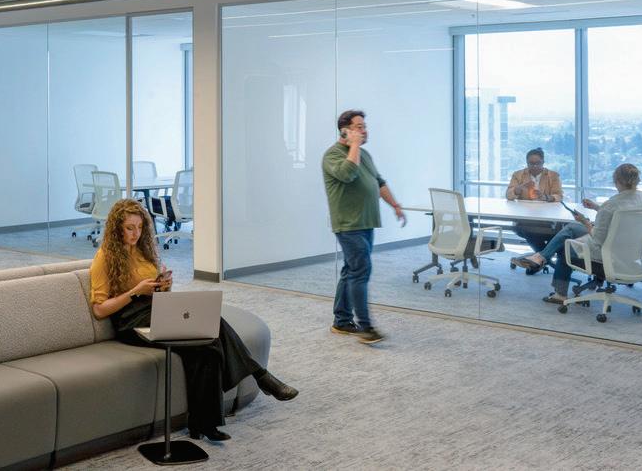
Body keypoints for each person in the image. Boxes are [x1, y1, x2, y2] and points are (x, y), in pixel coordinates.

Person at [89, 199, 297, 442]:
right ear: (117, 229)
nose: (136, 233)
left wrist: (162, 286)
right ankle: (260, 377)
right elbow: (99, 310)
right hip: (131, 321)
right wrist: (136, 292)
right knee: (208, 338)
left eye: (140, 227)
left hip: (156, 309)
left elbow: (152, 290)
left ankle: (203, 425)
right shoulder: (105, 257)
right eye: (129, 228)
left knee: (209, 338)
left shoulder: (142, 251)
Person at [322, 110, 405, 344]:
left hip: (366, 222)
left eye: (364, 126)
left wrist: (395, 205)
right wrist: (355, 145)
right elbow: (347, 174)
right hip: (348, 225)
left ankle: (341, 321)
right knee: (360, 271)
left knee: (351, 270)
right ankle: (366, 328)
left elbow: (379, 182)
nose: (364, 130)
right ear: (345, 131)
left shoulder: (364, 154)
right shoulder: (332, 155)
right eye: (359, 127)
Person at [536, 163, 642, 305]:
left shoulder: (611, 204)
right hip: (632, 257)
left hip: (608, 260)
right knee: (572, 229)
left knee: (565, 246)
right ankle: (541, 257)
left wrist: (585, 222)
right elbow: (622, 219)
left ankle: (559, 293)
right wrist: (598, 208)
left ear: (616, 181)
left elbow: (597, 240)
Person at [506, 148, 565, 274]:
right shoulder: (518, 175)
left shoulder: (553, 176)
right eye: (531, 163)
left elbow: (559, 196)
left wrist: (546, 197)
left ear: (543, 162)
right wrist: (519, 189)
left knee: (534, 230)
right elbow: (509, 195)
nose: (534, 166)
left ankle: (537, 262)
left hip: (547, 220)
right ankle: (542, 260)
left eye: (538, 163)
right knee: (527, 228)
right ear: (526, 163)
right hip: (524, 219)